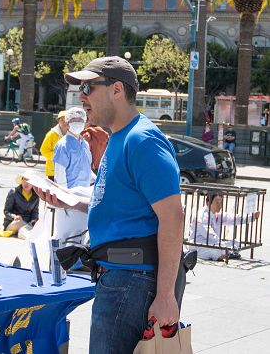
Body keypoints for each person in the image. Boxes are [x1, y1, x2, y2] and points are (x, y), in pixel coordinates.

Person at [35, 56, 183, 353]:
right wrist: (71, 200)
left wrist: (166, 294)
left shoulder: (142, 140)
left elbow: (173, 218)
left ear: (117, 89)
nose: (82, 96)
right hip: (120, 277)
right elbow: (118, 205)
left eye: (89, 87)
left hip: (131, 280)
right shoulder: (120, 137)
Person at [52, 107, 93, 268]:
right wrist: (65, 198)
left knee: (80, 237)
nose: (77, 123)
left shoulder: (85, 144)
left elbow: (86, 170)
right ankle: (58, 269)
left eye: (80, 121)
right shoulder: (63, 145)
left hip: (83, 197)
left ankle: (75, 268)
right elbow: (60, 175)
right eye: (74, 120)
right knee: (64, 237)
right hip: (67, 200)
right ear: (67, 123)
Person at [188, 192, 259, 261]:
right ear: (208, 202)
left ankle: (226, 253)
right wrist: (222, 245)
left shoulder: (216, 214)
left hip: (214, 243)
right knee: (217, 252)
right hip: (199, 245)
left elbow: (232, 218)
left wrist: (251, 217)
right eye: (217, 203)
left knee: (236, 243)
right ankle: (225, 253)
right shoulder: (202, 216)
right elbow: (209, 234)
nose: (220, 206)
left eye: (221, 203)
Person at [3, 171, 39, 236]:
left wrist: (34, 219)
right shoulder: (13, 192)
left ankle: (28, 231)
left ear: (33, 183)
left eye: (28, 180)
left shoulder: (36, 195)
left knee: (40, 224)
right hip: (13, 223)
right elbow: (6, 211)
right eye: (24, 179)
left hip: (28, 223)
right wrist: (14, 216)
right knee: (19, 223)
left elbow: (35, 212)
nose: (26, 183)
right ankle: (29, 231)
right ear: (21, 180)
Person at [40, 111, 68, 181]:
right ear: (58, 121)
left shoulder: (72, 134)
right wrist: (57, 157)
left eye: (66, 120)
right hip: (53, 171)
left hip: (67, 171)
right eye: (62, 120)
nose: (64, 122)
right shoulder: (51, 134)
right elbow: (44, 150)